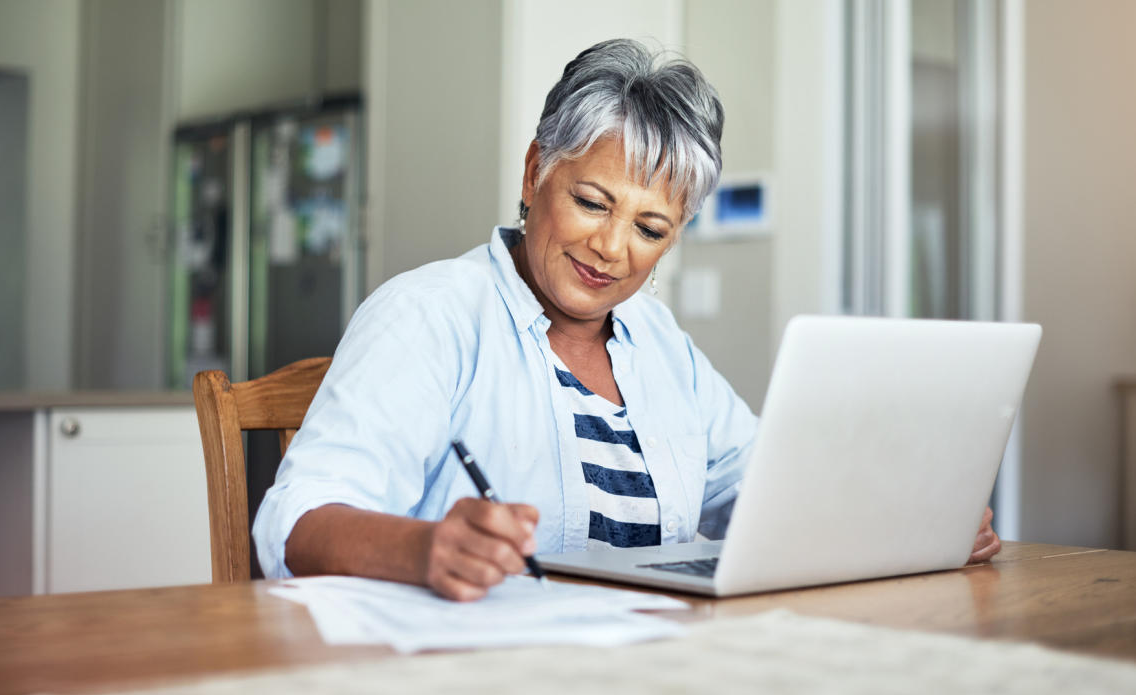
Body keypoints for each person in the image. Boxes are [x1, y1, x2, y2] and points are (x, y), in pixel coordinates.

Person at [252, 38, 1001, 601]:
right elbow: (294, 523)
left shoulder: (658, 340)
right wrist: (424, 549)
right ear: (534, 171)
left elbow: (764, 492)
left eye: (651, 229)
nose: (611, 250)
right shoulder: (430, 316)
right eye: (591, 202)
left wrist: (914, 519)